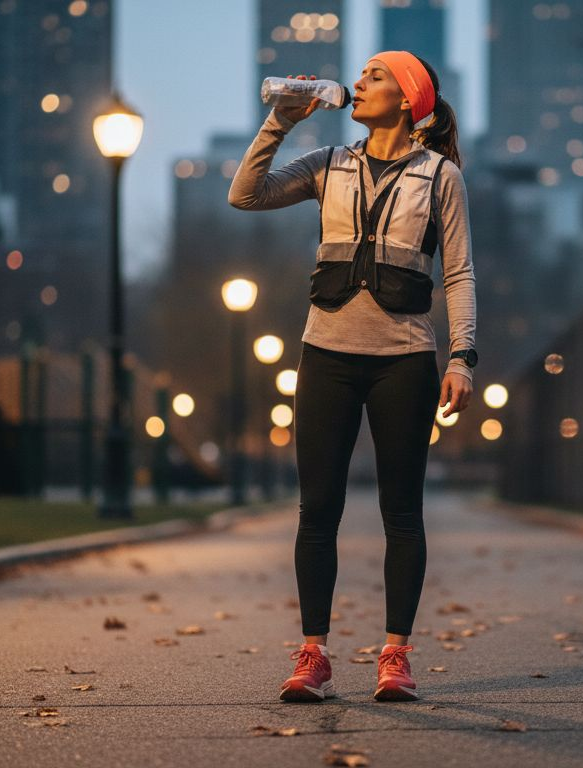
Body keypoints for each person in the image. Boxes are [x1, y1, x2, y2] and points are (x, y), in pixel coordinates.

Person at [228, 51, 477, 703]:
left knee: (402, 510)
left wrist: (461, 357)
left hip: (404, 360)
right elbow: (245, 194)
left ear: (408, 99)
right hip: (327, 354)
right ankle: (313, 653)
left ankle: (395, 656)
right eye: (360, 75)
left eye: (375, 76)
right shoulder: (331, 164)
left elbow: (458, 272)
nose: (358, 83)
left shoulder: (439, 175)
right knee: (318, 509)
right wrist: (277, 124)